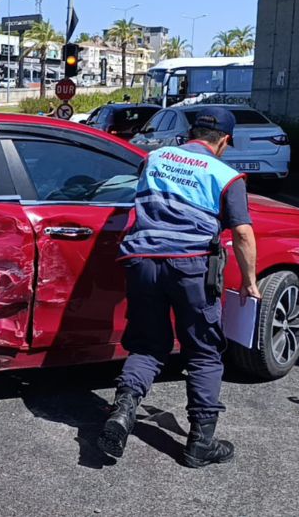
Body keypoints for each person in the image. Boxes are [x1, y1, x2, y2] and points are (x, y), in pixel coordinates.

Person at [97, 106, 260, 468]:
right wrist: (249, 282)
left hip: (141, 263)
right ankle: (200, 443)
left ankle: (122, 412)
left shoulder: (154, 158)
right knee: (203, 351)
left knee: (148, 344)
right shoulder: (226, 176)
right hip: (191, 267)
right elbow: (244, 233)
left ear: (192, 132)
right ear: (225, 141)